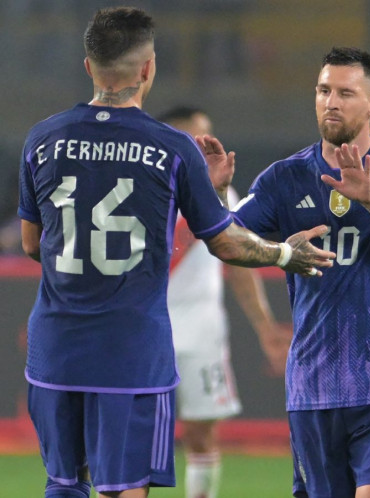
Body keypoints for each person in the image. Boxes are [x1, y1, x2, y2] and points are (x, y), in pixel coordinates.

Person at [17, 7, 334, 498]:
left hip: (55, 346)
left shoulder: (43, 138)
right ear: (148, 68)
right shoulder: (171, 148)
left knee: (63, 482)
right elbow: (224, 241)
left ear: (88, 65)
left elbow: (31, 244)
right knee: (125, 487)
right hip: (132, 350)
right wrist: (284, 255)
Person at [231, 46, 370, 498]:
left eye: (345, 93)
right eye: (324, 91)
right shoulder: (284, 178)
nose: (331, 102)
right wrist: (277, 252)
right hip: (314, 384)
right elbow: (226, 240)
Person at [159, 106, 292, 498]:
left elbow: (239, 267)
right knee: (136, 433)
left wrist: (265, 326)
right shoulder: (144, 186)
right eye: (196, 137)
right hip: (147, 328)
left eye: (208, 135)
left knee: (201, 434)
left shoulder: (221, 191)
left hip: (202, 331)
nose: (206, 145)